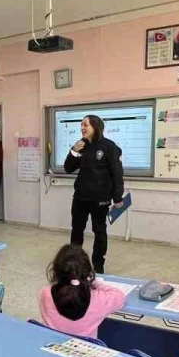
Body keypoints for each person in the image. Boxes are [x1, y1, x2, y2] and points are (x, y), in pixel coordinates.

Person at [63, 114, 124, 273]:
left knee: (99, 231)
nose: (82, 128)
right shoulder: (80, 146)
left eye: (86, 125)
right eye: (81, 125)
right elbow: (68, 168)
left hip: (101, 198)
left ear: (96, 127)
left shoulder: (109, 147)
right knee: (77, 230)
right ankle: (74, 263)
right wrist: (73, 151)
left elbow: (117, 174)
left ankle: (98, 266)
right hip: (80, 197)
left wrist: (118, 197)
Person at [38, 244, 126, 339]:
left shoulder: (45, 293)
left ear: (56, 271)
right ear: (88, 272)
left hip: (52, 348)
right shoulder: (99, 299)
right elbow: (120, 296)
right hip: (87, 351)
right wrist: (95, 283)